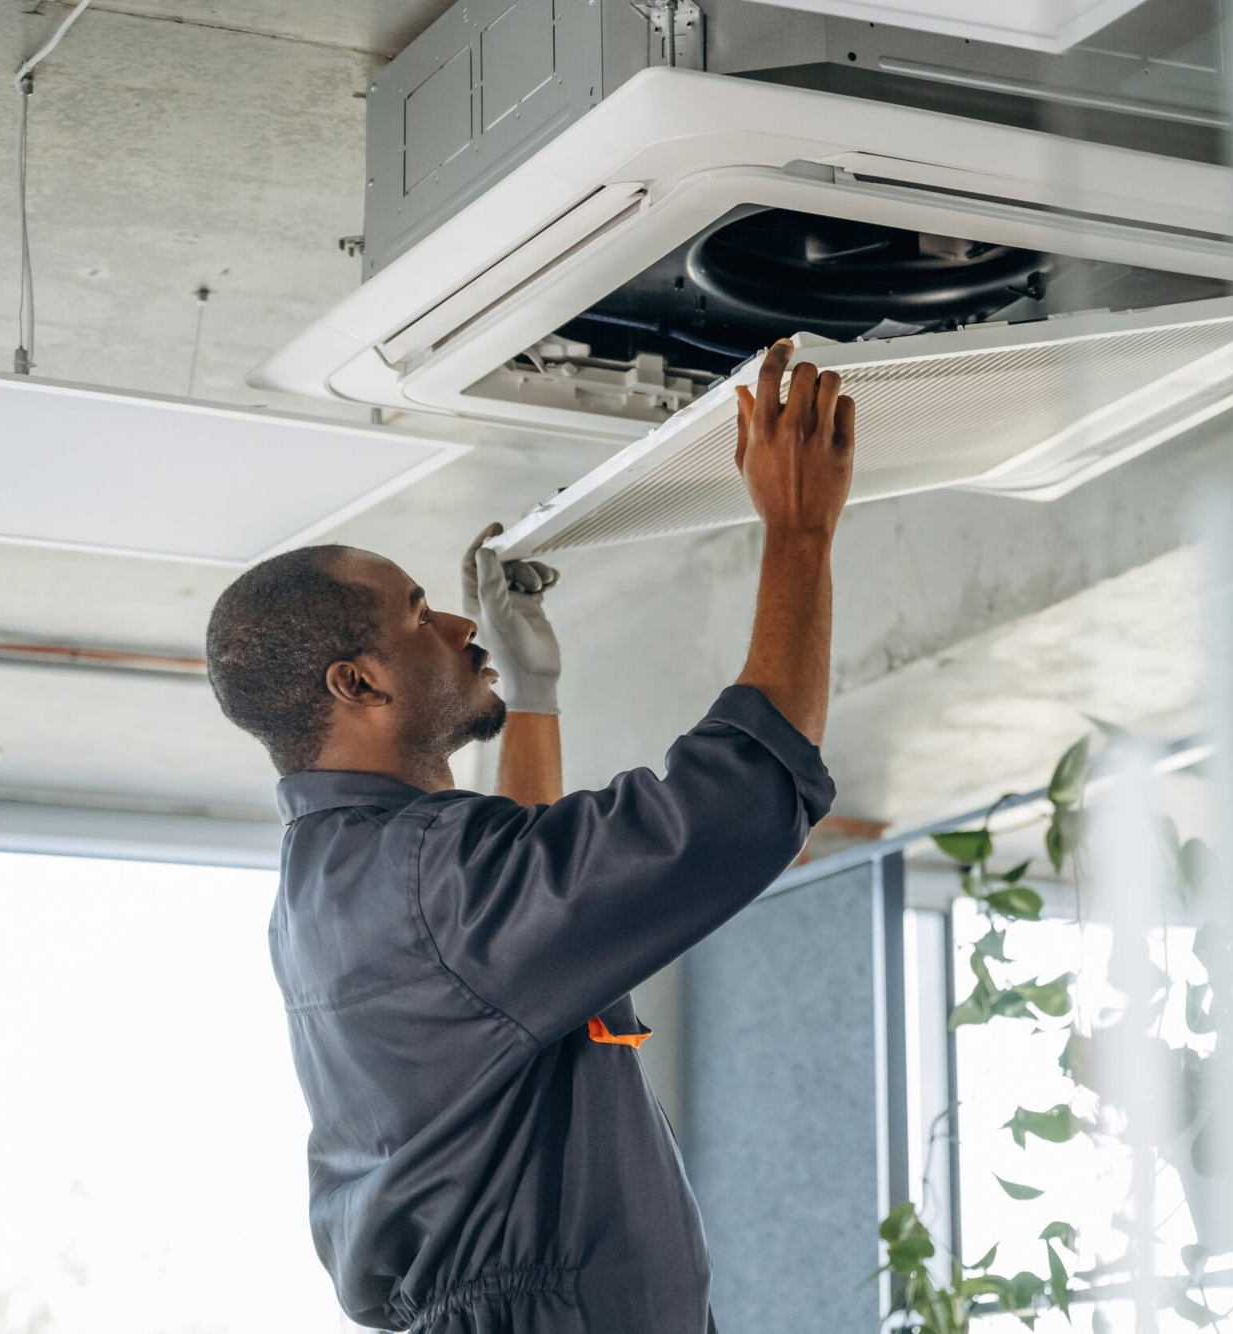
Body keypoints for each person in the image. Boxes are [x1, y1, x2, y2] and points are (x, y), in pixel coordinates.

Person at [202, 340, 855, 1333]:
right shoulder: (422, 886)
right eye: (419, 614)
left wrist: (533, 696)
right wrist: (798, 531)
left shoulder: (344, 880)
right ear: (359, 682)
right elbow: (732, 806)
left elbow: (521, 936)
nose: (461, 624)